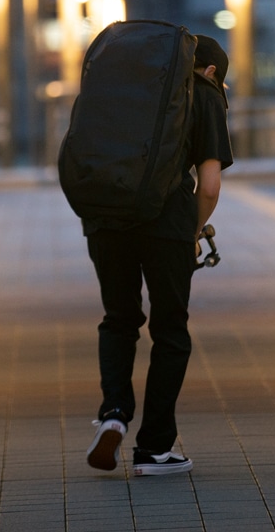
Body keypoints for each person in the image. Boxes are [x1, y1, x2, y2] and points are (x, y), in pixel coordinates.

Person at [84, 34, 233, 476]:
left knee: (119, 317)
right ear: (209, 71)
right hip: (167, 222)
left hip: (106, 215)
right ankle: (153, 449)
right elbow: (209, 185)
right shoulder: (204, 93)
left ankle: (112, 414)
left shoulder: (121, 87)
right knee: (170, 329)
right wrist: (190, 231)